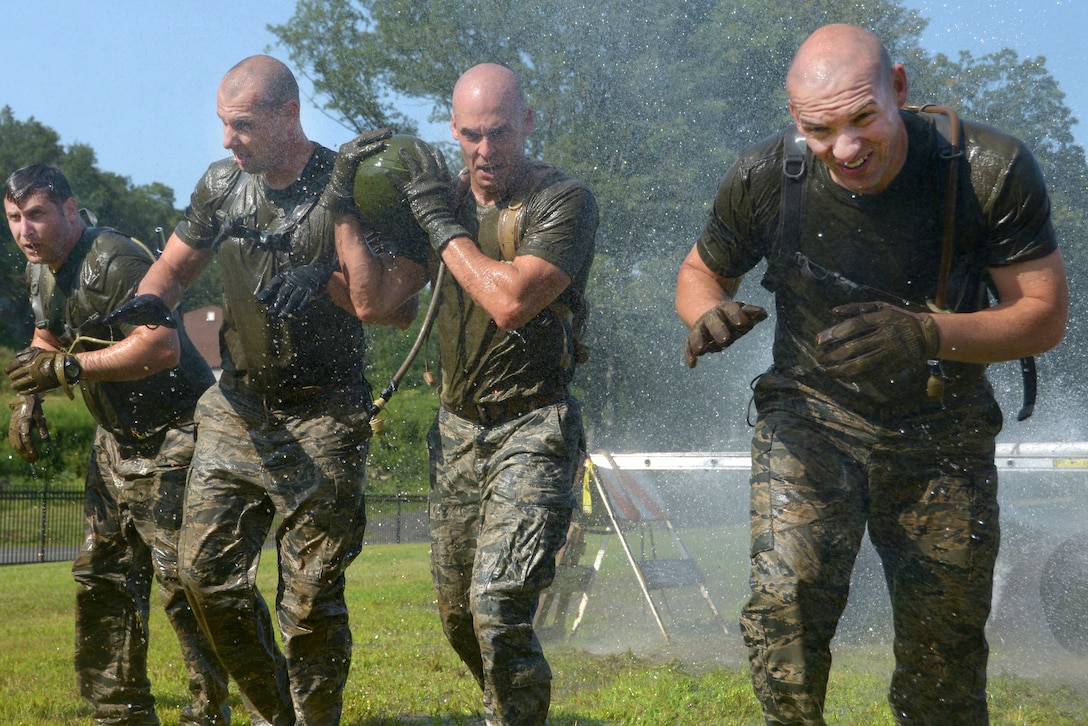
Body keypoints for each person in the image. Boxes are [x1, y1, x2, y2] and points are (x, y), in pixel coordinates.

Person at [675, 24, 1067, 726]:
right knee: (785, 609)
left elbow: (1042, 314)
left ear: (900, 89)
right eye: (822, 130)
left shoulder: (986, 169)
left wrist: (928, 333)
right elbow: (702, 271)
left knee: (942, 663)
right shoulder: (766, 174)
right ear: (795, 120)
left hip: (941, 429)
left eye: (863, 120)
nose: (847, 150)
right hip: (810, 418)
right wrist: (706, 313)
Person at [128, 55, 414, 726]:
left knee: (310, 602)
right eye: (223, 126)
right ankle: (272, 711)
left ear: (289, 115)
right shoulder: (224, 186)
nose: (228, 141)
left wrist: (325, 274)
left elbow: (394, 307)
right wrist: (145, 304)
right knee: (203, 579)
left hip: (326, 410)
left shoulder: (350, 187)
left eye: (243, 126)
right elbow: (171, 269)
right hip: (238, 406)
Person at [374, 63, 598, 725]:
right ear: (453, 130)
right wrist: (340, 208)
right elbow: (380, 304)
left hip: (534, 424)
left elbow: (510, 301)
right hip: (456, 427)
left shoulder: (565, 202)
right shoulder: (442, 200)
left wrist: (441, 224)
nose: (484, 150)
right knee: (456, 613)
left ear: (527, 124)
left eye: (499, 132)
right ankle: (504, 704)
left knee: (498, 604)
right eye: (471, 134)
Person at [3, 164, 228, 725]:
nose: (24, 231)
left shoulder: (114, 260)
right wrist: (28, 397)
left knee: (186, 585)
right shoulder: (42, 269)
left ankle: (210, 708)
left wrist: (69, 370)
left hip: (178, 433)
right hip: (115, 440)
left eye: (36, 215)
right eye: (13, 219)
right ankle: (119, 711)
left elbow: (162, 347)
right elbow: (46, 334)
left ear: (72, 211)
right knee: (103, 577)